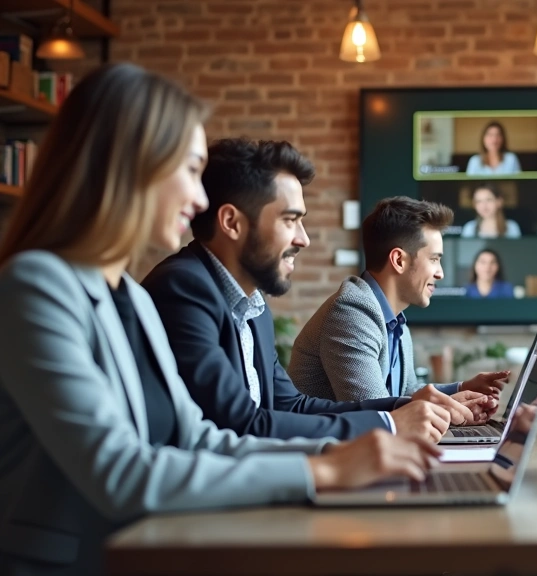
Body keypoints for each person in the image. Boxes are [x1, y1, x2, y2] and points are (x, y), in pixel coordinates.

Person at [0, 63, 440, 576]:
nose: (201, 198)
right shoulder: (35, 287)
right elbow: (120, 472)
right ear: (130, 166)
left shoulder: (132, 298)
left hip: (150, 546)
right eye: (189, 169)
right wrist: (320, 470)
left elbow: (201, 437)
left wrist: (348, 454)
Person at [142, 138, 489, 445]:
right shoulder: (184, 288)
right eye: (289, 220)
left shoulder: (253, 307)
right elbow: (237, 424)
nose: (303, 239)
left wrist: (403, 407)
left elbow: (292, 405)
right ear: (232, 223)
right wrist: (390, 423)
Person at [289, 196, 510, 403]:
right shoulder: (351, 313)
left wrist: (461, 389)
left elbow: (407, 394)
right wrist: (449, 407)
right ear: (399, 260)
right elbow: (373, 411)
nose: (440, 273)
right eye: (434, 259)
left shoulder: (395, 320)